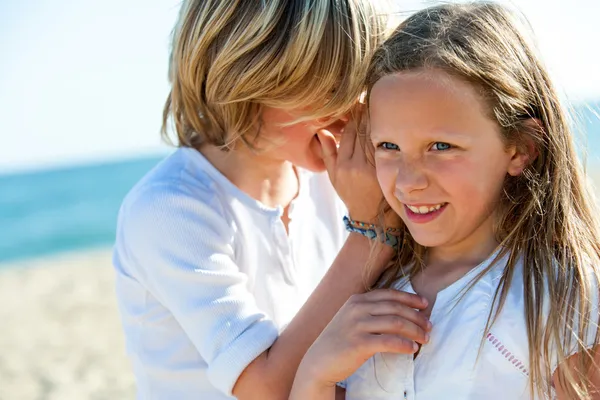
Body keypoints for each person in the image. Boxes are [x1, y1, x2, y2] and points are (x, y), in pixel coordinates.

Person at [290, 3, 600, 399]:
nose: (409, 181)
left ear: (521, 148)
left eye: (441, 146)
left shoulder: (570, 300)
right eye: (388, 146)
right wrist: (315, 375)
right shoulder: (366, 292)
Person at [111, 1, 414, 399]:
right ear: (247, 79)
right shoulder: (169, 208)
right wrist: (371, 233)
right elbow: (268, 387)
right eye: (327, 92)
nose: (349, 114)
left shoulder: (330, 183)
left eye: (359, 88)